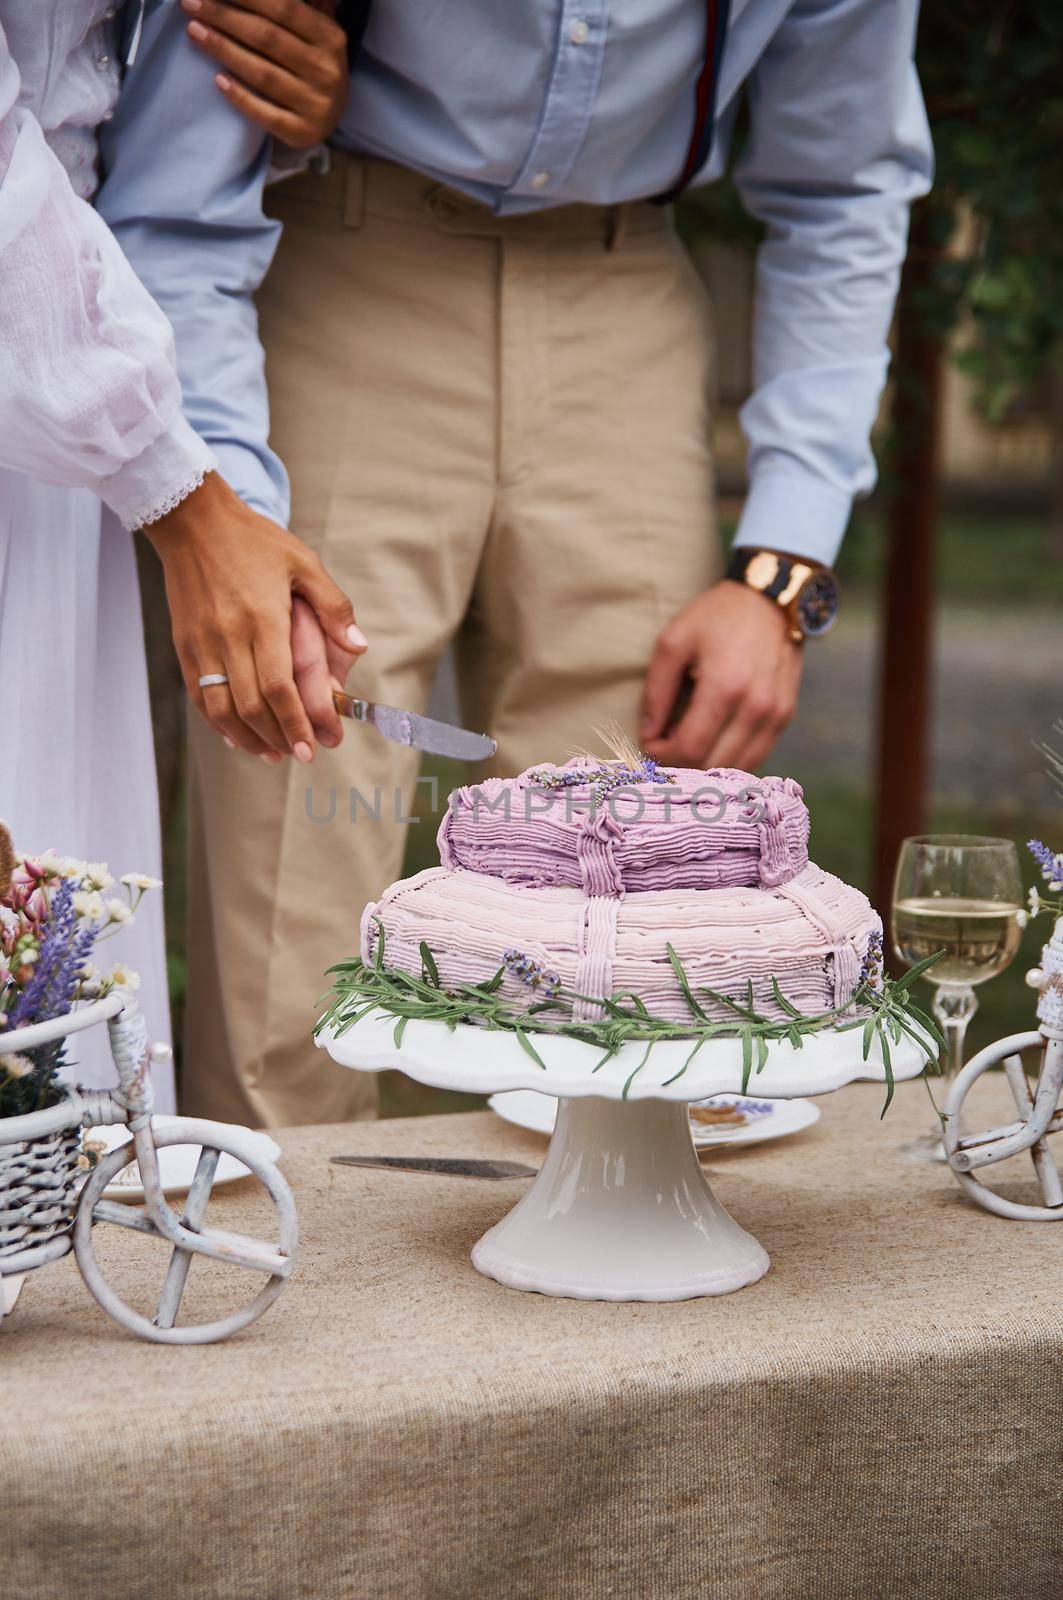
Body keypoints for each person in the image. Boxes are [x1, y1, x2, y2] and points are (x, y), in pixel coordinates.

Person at [107, 0, 932, 1128]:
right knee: (290, 911)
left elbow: (844, 180)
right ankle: (286, 1274)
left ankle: (598, 1273)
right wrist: (226, 512)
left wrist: (781, 573)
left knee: (625, 940)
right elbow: (181, 187)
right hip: (343, 260)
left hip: (626, 297)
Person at [0, 0, 357, 1100]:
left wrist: (203, 501)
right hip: (47, 347)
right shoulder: (136, 446)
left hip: (61, 401)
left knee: (46, 944)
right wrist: (184, 500)